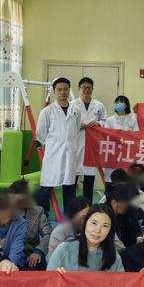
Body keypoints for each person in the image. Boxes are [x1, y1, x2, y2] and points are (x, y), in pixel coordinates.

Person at [35, 77, 83, 217]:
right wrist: (56, 143)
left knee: (70, 186)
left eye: (65, 89)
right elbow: (40, 134)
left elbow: (76, 129)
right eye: (59, 89)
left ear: (69, 90)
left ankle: (70, 214)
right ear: (54, 91)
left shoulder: (76, 111)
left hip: (70, 154)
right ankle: (41, 215)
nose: (63, 92)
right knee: (46, 186)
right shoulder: (47, 112)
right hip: (53, 155)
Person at [47, 204, 124, 272]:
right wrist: (55, 275)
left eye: (105, 226)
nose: (98, 230)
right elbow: (49, 279)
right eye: (94, 223)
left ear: (110, 230)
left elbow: (120, 282)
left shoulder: (113, 256)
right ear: (85, 223)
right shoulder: (65, 249)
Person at [72, 77, 107, 203]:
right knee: (72, 179)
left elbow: (105, 121)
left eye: (89, 88)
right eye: (84, 87)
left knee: (89, 179)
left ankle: (88, 205)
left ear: (92, 89)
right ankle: (72, 206)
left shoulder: (99, 105)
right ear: (79, 89)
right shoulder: (72, 105)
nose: (86, 90)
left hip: (92, 145)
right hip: (76, 144)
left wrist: (98, 123)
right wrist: (78, 125)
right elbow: (67, 123)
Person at [8, 180, 52, 270]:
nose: (30, 197)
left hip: (30, 255)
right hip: (9, 255)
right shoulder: (5, 212)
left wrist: (38, 251)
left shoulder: (38, 211)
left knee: (38, 263)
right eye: (27, 194)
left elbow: (48, 233)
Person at [103, 182, 141, 250]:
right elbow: (116, 244)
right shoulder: (103, 216)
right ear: (114, 202)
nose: (127, 204)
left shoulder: (128, 213)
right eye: (126, 201)